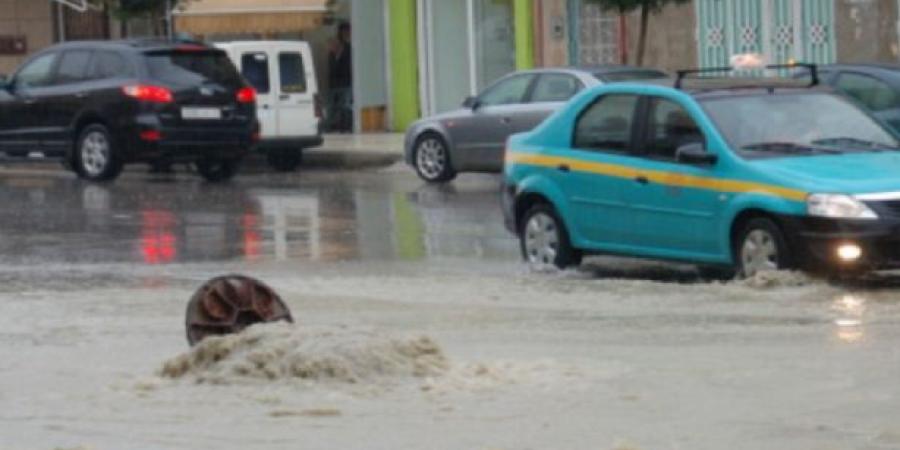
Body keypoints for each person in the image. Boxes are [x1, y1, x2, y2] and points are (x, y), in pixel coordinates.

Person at [326, 22, 353, 133]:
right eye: (344, 31)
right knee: (333, 106)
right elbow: (332, 65)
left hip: (346, 82)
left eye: (348, 32)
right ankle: (333, 125)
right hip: (335, 82)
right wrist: (335, 53)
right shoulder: (336, 46)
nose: (347, 34)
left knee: (345, 105)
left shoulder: (350, 47)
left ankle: (345, 126)